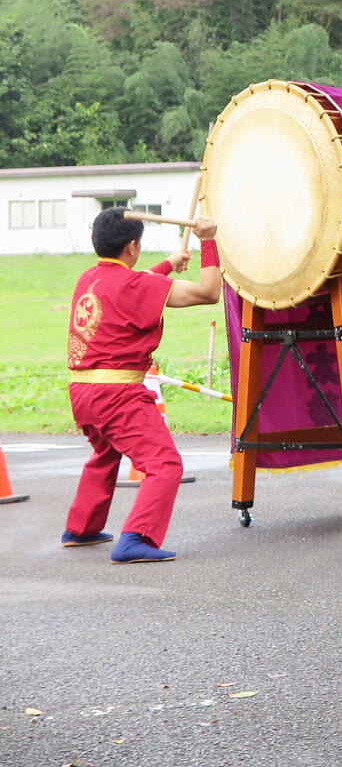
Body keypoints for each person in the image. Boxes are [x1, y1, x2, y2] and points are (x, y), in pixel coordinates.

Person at [62, 208, 223, 562]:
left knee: (105, 451)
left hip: (82, 392)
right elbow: (209, 292)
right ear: (133, 247)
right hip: (116, 394)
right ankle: (137, 538)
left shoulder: (88, 279)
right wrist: (208, 241)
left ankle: (82, 528)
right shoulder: (137, 285)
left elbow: (135, 284)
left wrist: (167, 264)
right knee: (164, 464)